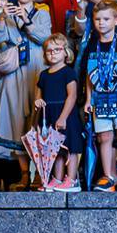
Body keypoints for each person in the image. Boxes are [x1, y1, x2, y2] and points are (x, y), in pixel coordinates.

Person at [0, 0, 52, 186]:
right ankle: (24, 174)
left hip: (37, 70)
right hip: (14, 72)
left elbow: (44, 38)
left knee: (38, 121)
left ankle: (41, 172)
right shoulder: (8, 15)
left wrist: (25, 20)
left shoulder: (43, 15)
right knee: (15, 122)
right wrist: (3, 18)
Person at [78, 0, 117, 190]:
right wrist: (88, 99)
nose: (101, 23)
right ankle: (109, 175)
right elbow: (89, 76)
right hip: (99, 100)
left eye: (106, 19)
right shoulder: (91, 46)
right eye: (97, 19)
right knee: (103, 137)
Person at [34, 33, 82, 191]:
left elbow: (72, 95)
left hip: (66, 114)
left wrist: (63, 117)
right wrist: (38, 102)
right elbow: (38, 96)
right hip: (49, 114)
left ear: (65, 52)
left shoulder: (68, 72)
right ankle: (57, 179)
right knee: (55, 149)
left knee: (71, 147)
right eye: (49, 51)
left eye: (57, 49)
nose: (53, 53)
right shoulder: (43, 75)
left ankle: (72, 179)